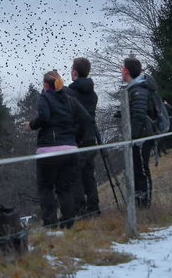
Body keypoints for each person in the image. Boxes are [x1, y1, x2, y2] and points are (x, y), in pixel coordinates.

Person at [24, 69, 89, 229]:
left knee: (46, 187)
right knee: (64, 188)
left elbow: (44, 117)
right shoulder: (70, 99)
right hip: (70, 150)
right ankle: (67, 222)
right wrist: (76, 140)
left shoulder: (44, 97)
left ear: (46, 85)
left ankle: (51, 223)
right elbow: (86, 118)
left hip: (49, 150)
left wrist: (31, 125)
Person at [64, 58, 101, 219]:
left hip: (77, 139)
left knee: (74, 176)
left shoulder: (69, 93)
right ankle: (93, 208)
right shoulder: (93, 94)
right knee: (89, 176)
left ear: (74, 72)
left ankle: (80, 211)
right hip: (91, 138)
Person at [121, 57, 158, 209]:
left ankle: (145, 205)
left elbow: (139, 114)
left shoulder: (138, 89)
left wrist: (133, 137)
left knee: (142, 169)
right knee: (136, 169)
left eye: (122, 69)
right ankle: (139, 203)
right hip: (139, 135)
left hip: (142, 136)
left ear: (126, 70)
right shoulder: (134, 88)